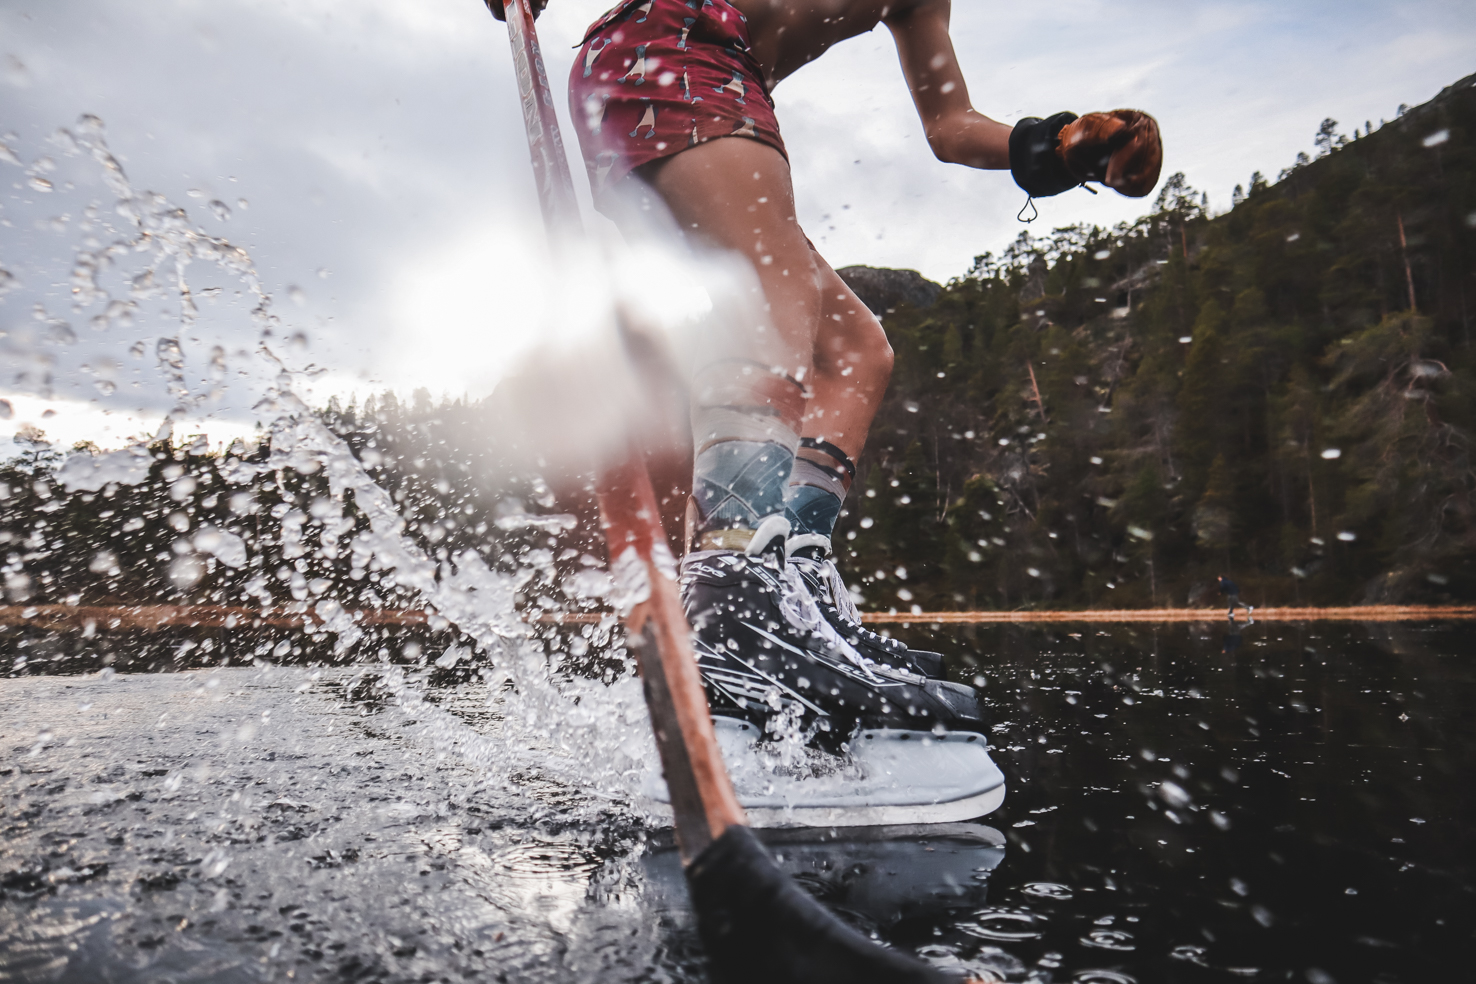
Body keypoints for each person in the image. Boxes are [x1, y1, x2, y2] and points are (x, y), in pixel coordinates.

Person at [553, 0, 1162, 746]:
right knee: (773, 282)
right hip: (675, 51)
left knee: (857, 356)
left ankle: (796, 598)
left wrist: (1060, 150)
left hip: (710, 84)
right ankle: (730, 604)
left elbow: (951, 126)